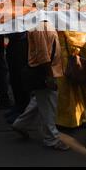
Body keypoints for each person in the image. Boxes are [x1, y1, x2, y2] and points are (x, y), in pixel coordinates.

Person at [12, 20, 70, 151]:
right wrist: (49, 76)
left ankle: (21, 124)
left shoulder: (46, 22)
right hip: (44, 71)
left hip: (48, 70)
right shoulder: (39, 25)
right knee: (48, 105)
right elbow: (43, 54)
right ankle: (51, 139)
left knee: (41, 101)